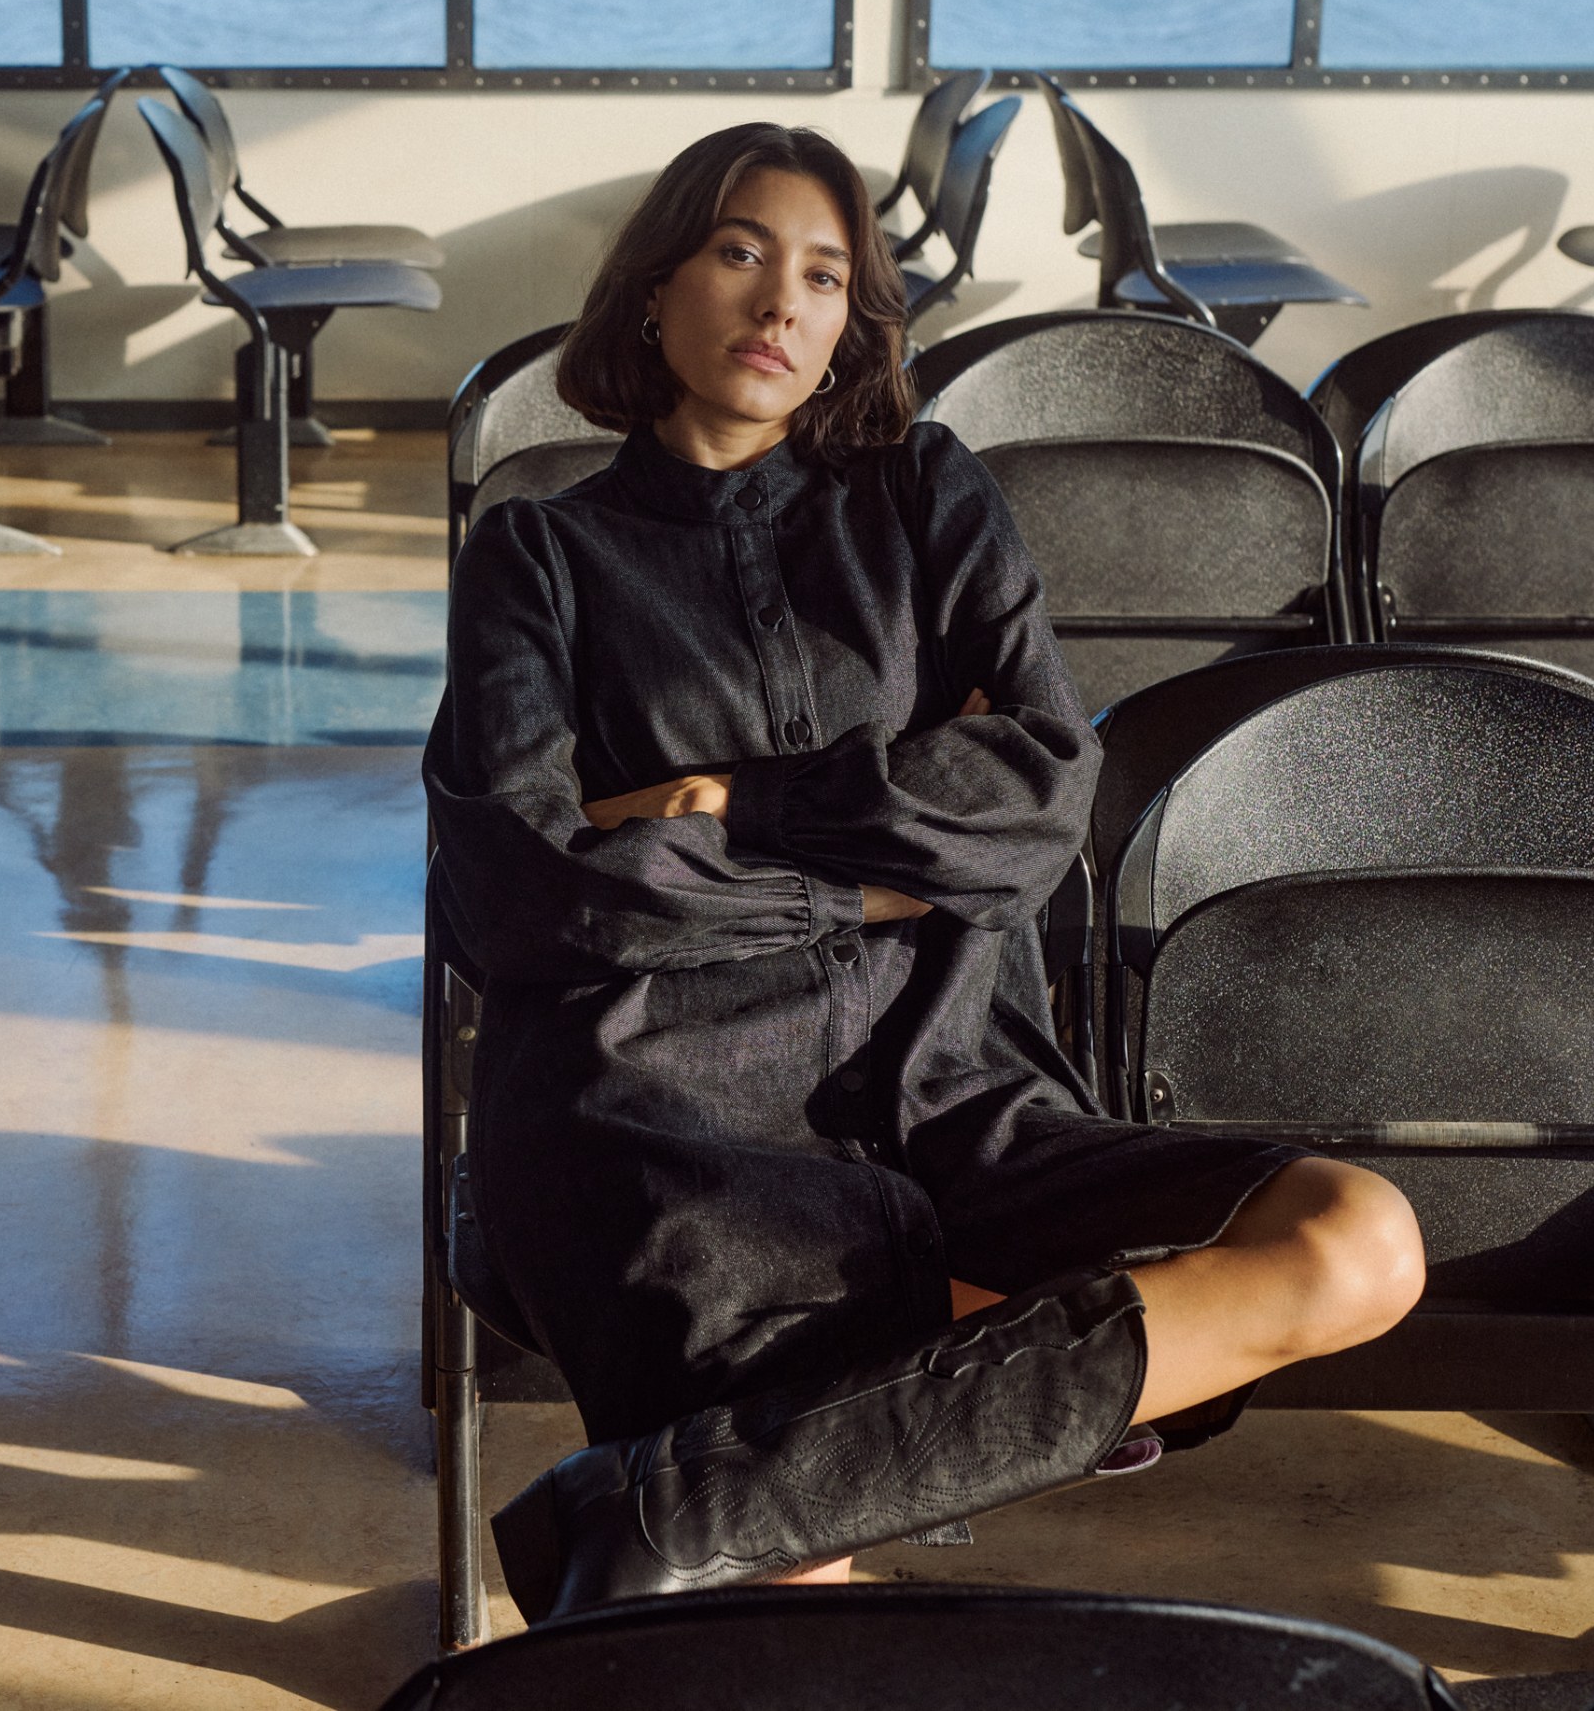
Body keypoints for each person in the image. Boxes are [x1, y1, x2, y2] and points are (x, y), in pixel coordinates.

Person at [423, 122, 1425, 1623]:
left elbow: (1034, 795)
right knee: (806, 1575)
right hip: (661, 1126)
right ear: (653, 289)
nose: (779, 304)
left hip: (958, 1096)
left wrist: (722, 809)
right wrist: (883, 877)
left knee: (1360, 1242)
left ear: (851, 325)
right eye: (739, 252)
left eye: (823, 276)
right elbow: (528, 893)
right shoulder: (540, 552)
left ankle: (654, 1518)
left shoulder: (922, 493)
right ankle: (728, 1521)